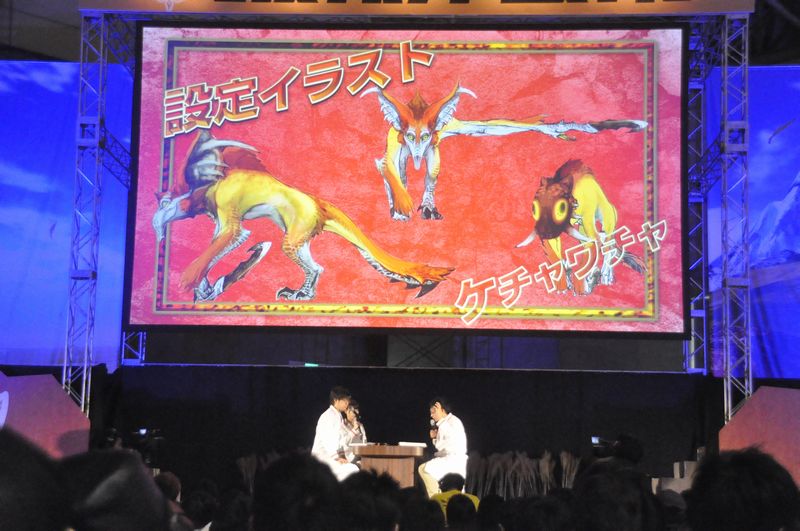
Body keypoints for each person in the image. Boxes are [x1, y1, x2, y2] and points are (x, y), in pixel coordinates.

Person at [418, 397, 468, 498]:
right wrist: (435, 438)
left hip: (453, 461)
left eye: (434, 412)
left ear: (442, 409)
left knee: (424, 469)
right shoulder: (444, 423)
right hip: (448, 460)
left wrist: (440, 420)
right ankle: (438, 497)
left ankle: (435, 498)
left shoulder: (453, 421)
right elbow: (442, 446)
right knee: (424, 468)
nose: (431, 415)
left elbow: (451, 440)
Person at [311, 385, 359, 481]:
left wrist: (342, 456)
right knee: (352, 470)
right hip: (322, 459)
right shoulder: (328, 416)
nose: (347, 403)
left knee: (353, 468)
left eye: (348, 401)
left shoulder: (337, 416)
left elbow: (340, 441)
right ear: (336, 400)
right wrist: (338, 457)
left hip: (330, 457)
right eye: (344, 401)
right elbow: (329, 440)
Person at [343, 399, 367, 464]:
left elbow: (364, 441)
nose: (357, 413)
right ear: (346, 411)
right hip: (349, 459)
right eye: (354, 410)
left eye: (357, 410)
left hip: (361, 457)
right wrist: (354, 429)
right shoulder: (342, 425)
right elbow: (344, 443)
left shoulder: (360, 425)